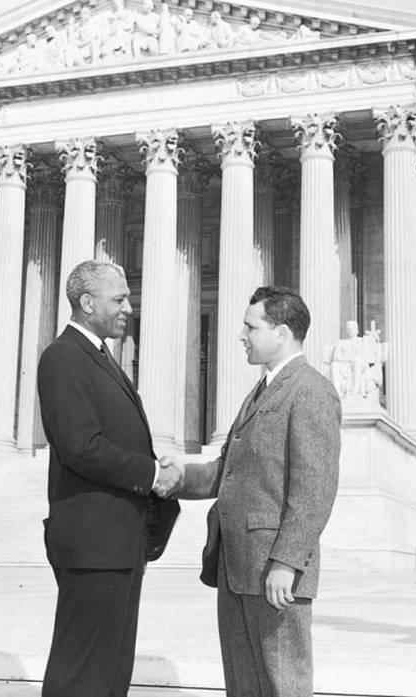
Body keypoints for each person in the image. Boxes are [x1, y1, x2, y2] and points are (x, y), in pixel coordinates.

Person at [157, 286, 341, 697]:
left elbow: (314, 488)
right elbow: (228, 471)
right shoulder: (260, 391)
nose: (241, 335)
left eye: (250, 326)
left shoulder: (310, 390)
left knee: (283, 683)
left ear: (281, 332)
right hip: (237, 565)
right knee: (243, 684)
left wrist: (287, 562)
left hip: (274, 570)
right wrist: (176, 478)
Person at [38, 260, 181, 697]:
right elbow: (81, 446)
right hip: (93, 546)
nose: (128, 306)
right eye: (118, 299)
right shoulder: (64, 357)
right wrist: (153, 473)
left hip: (117, 544)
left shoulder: (100, 357)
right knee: (81, 675)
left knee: (109, 675)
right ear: (86, 303)